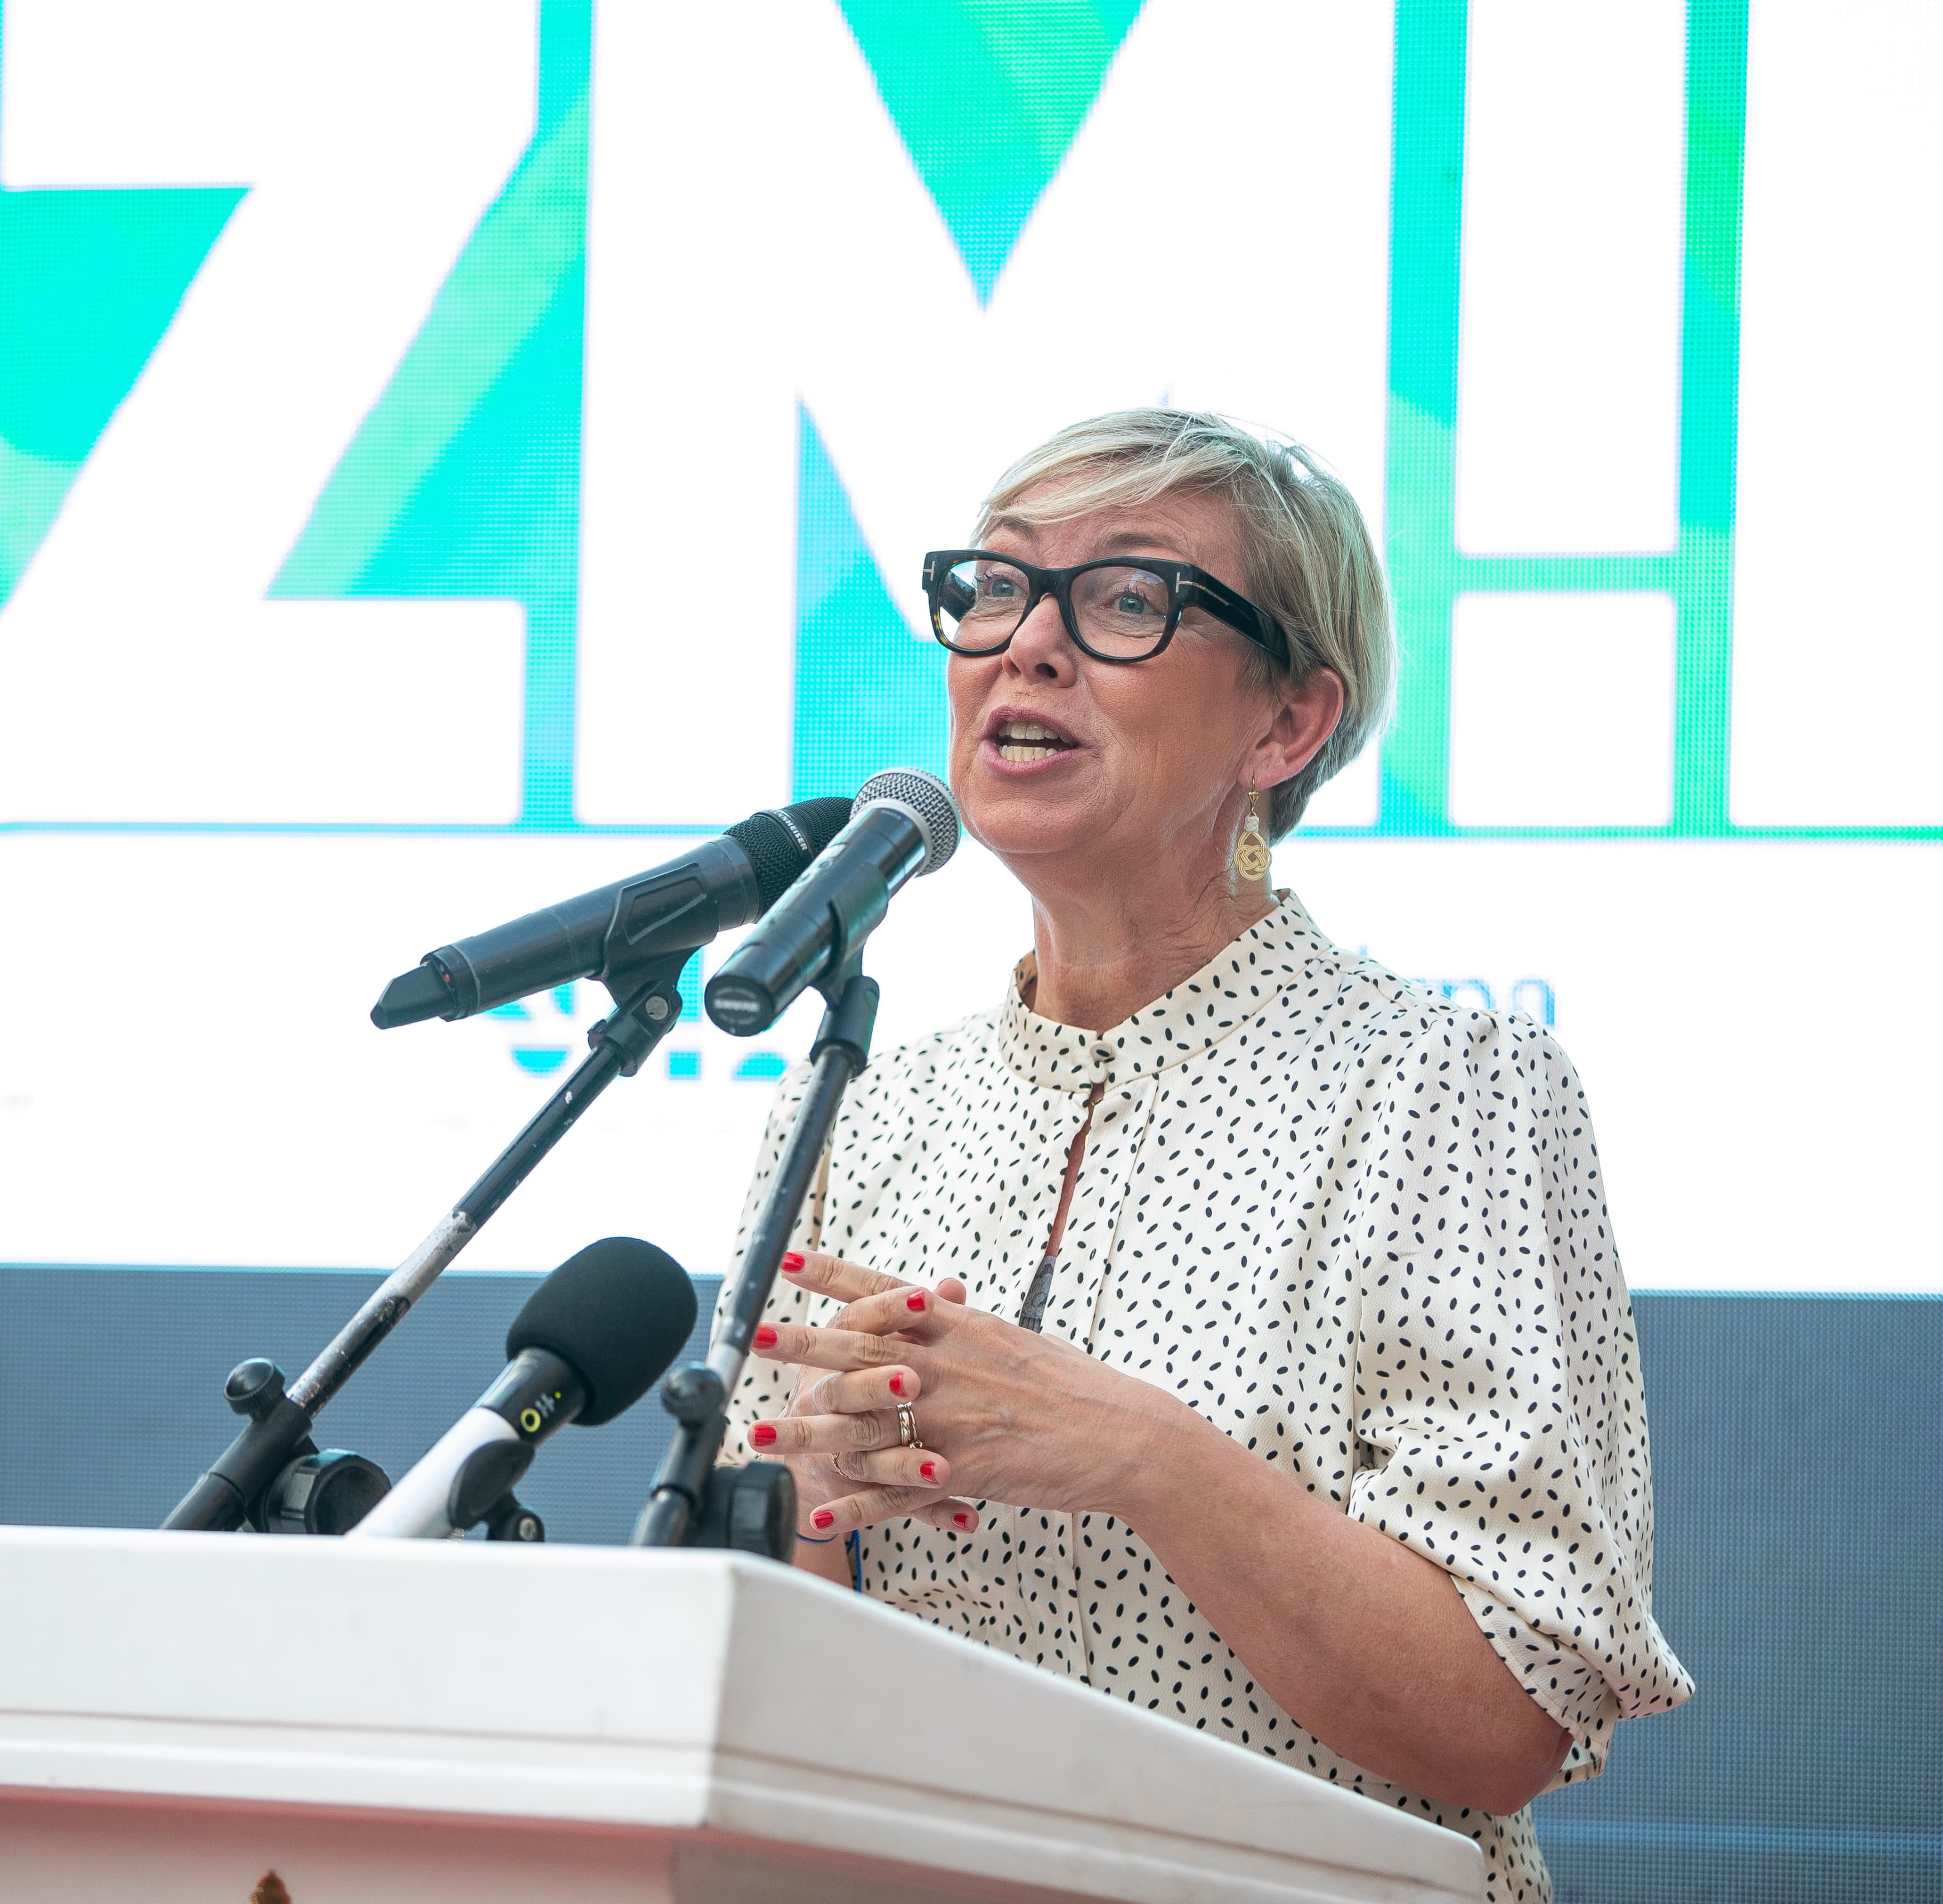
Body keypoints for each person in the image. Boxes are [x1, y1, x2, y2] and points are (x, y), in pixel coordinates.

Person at [721, 409, 1691, 1904]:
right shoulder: (860, 1109)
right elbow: (767, 1655)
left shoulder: (1449, 1088)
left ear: (1285, 725)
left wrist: (1147, 1459)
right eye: (998, 587)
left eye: (1127, 600)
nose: (1027, 647)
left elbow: (1507, 1715)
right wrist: (794, 1515)